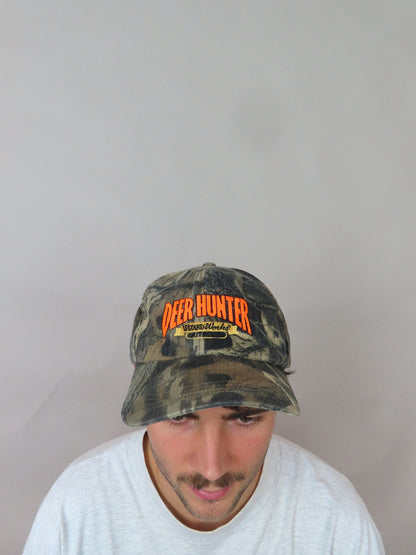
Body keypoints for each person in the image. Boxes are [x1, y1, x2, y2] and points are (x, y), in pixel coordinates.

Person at [24, 263, 385, 554]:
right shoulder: (77, 513)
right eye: (180, 415)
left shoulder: (334, 521)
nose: (212, 468)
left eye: (245, 418)